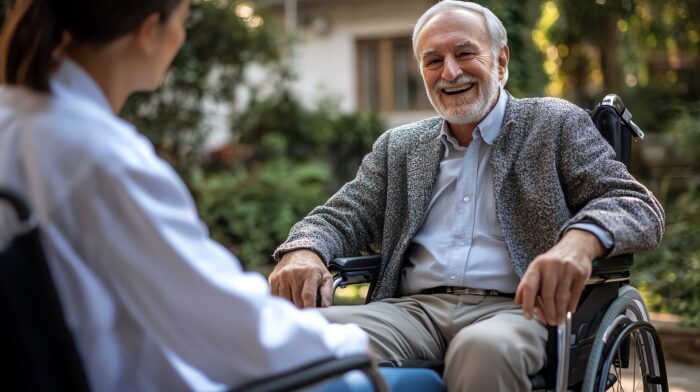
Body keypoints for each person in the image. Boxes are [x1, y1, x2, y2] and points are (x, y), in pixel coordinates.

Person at [269, 1, 665, 390]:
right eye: (433, 60)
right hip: (412, 311)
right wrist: (304, 251)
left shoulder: (553, 124)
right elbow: (341, 216)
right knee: (299, 339)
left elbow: (635, 203)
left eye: (464, 53)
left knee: (481, 350)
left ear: (501, 61)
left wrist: (577, 245)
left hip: (517, 309)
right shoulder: (400, 146)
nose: (450, 72)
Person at [0, 0, 370, 390]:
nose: (183, 35)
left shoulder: (17, 121)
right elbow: (219, 321)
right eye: (183, 21)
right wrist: (345, 343)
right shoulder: (99, 156)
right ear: (148, 33)